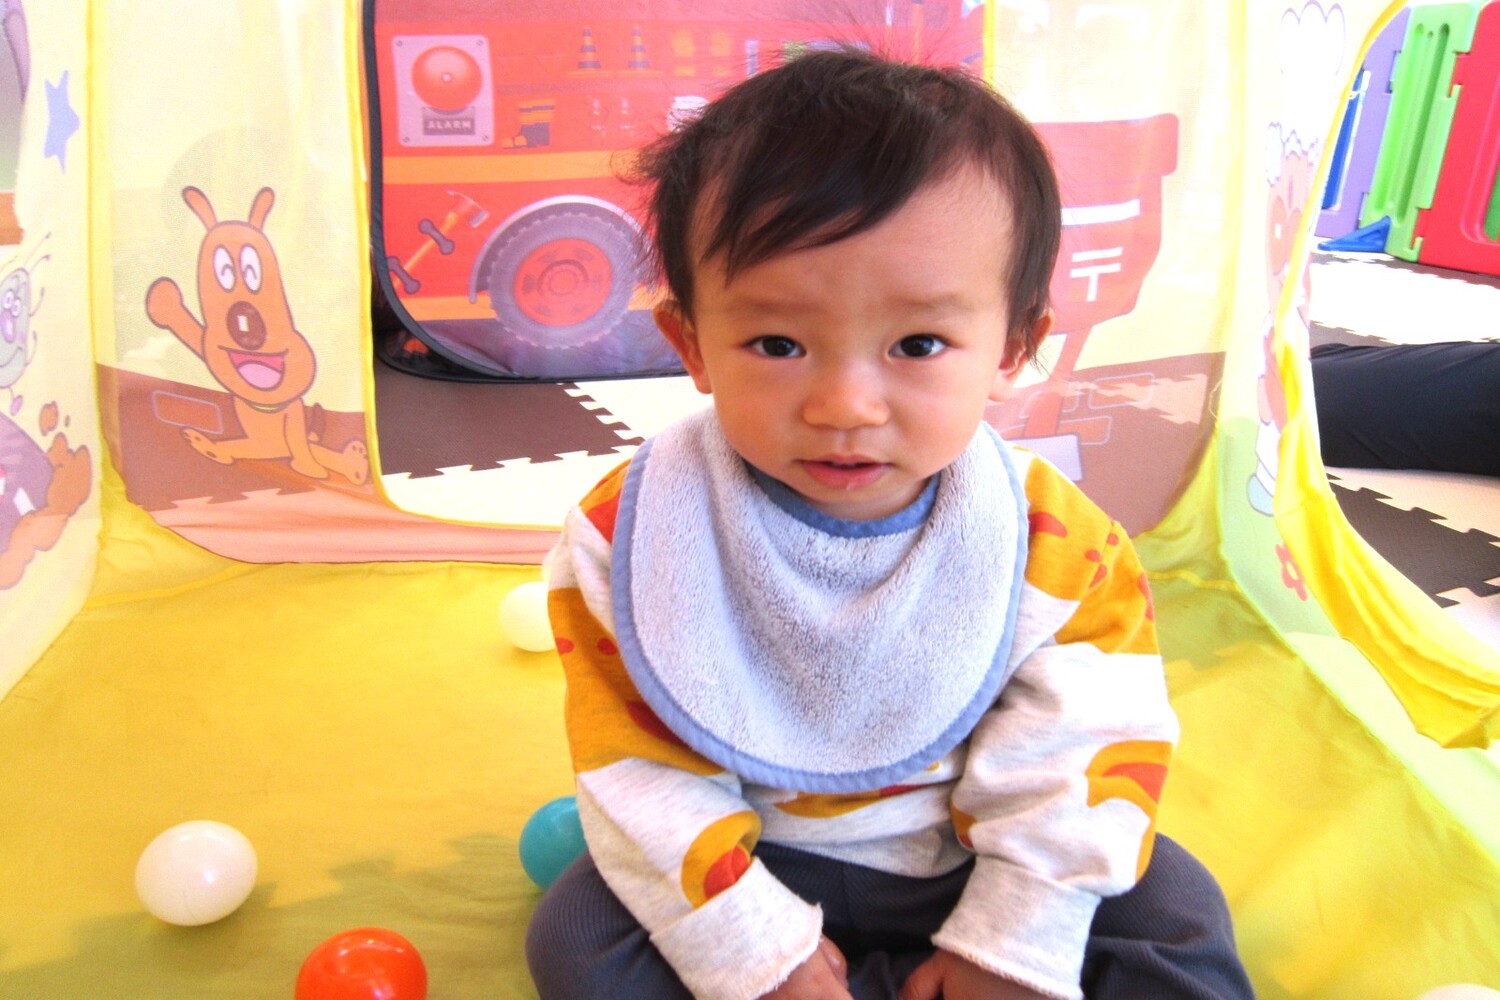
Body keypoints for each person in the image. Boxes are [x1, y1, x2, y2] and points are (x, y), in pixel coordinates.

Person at [527, 48, 1254, 1000]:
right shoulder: (632, 531)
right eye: (777, 343)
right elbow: (636, 775)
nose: (845, 405)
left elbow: (1082, 748)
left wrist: (1014, 936)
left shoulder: (1053, 541)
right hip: (754, 859)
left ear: (1014, 347)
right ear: (693, 344)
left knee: (1172, 909)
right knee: (578, 936)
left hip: (972, 855)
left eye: (917, 343)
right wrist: (749, 947)